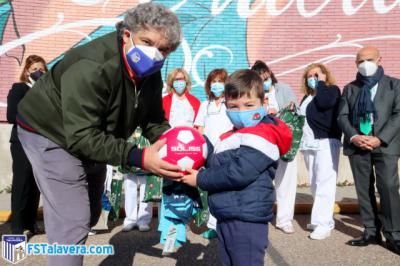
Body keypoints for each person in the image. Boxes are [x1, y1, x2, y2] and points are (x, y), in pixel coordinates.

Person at [16, 3, 182, 265]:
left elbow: (152, 119)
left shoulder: (151, 73)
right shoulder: (93, 66)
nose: (155, 54)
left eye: (163, 49)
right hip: (48, 131)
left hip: (93, 133)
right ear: (127, 35)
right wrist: (138, 157)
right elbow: (81, 136)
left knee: (91, 212)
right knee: (73, 221)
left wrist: (180, 144)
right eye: (147, 42)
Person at [181, 69, 292, 265]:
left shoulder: (262, 135)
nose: (241, 112)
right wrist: (195, 144)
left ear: (264, 103)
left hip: (246, 219)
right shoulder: (236, 134)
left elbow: (238, 172)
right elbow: (219, 160)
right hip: (229, 214)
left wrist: (200, 179)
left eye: (249, 105)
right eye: (234, 106)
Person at [337, 46, 400, 255]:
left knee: (389, 188)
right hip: (359, 145)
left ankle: (394, 234)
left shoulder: (394, 85)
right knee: (363, 190)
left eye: (369, 59)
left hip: (384, 145)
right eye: (360, 61)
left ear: (380, 59)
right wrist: (355, 137)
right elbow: (342, 116)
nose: (365, 64)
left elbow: (398, 114)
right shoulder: (350, 88)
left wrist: (379, 138)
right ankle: (371, 231)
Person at [251, 60, 299, 234]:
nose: (265, 81)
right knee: (261, 181)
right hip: (263, 143)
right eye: (260, 79)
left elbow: (296, 112)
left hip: (284, 140)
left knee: (286, 180)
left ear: (271, 75)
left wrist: (288, 109)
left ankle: (284, 219)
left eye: (267, 77)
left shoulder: (283, 89)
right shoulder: (253, 94)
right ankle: (258, 215)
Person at [299, 63, 341, 240]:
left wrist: (322, 84)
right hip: (309, 144)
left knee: (325, 183)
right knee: (315, 183)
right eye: (310, 76)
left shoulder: (331, 90)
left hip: (325, 142)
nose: (313, 78)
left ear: (324, 75)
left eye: (316, 75)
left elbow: (325, 104)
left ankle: (323, 225)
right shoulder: (307, 97)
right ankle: (322, 220)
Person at [7, 54, 47, 235]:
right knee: (22, 182)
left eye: (42, 70)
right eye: (34, 70)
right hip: (22, 142)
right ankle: (17, 225)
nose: (39, 72)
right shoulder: (19, 88)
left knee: (35, 183)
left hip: (40, 143)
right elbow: (11, 116)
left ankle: (31, 223)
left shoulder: (47, 91)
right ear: (26, 72)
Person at [194, 68, 233, 239]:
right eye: (213, 82)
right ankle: (213, 225)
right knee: (212, 189)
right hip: (210, 153)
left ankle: (228, 223)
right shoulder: (205, 105)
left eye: (220, 81)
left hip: (229, 151)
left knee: (229, 188)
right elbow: (199, 129)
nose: (217, 85)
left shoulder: (231, 104)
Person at [121, 128, 153, 232]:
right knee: (129, 186)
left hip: (147, 145)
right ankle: (130, 219)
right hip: (129, 142)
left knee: (146, 187)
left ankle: (144, 220)